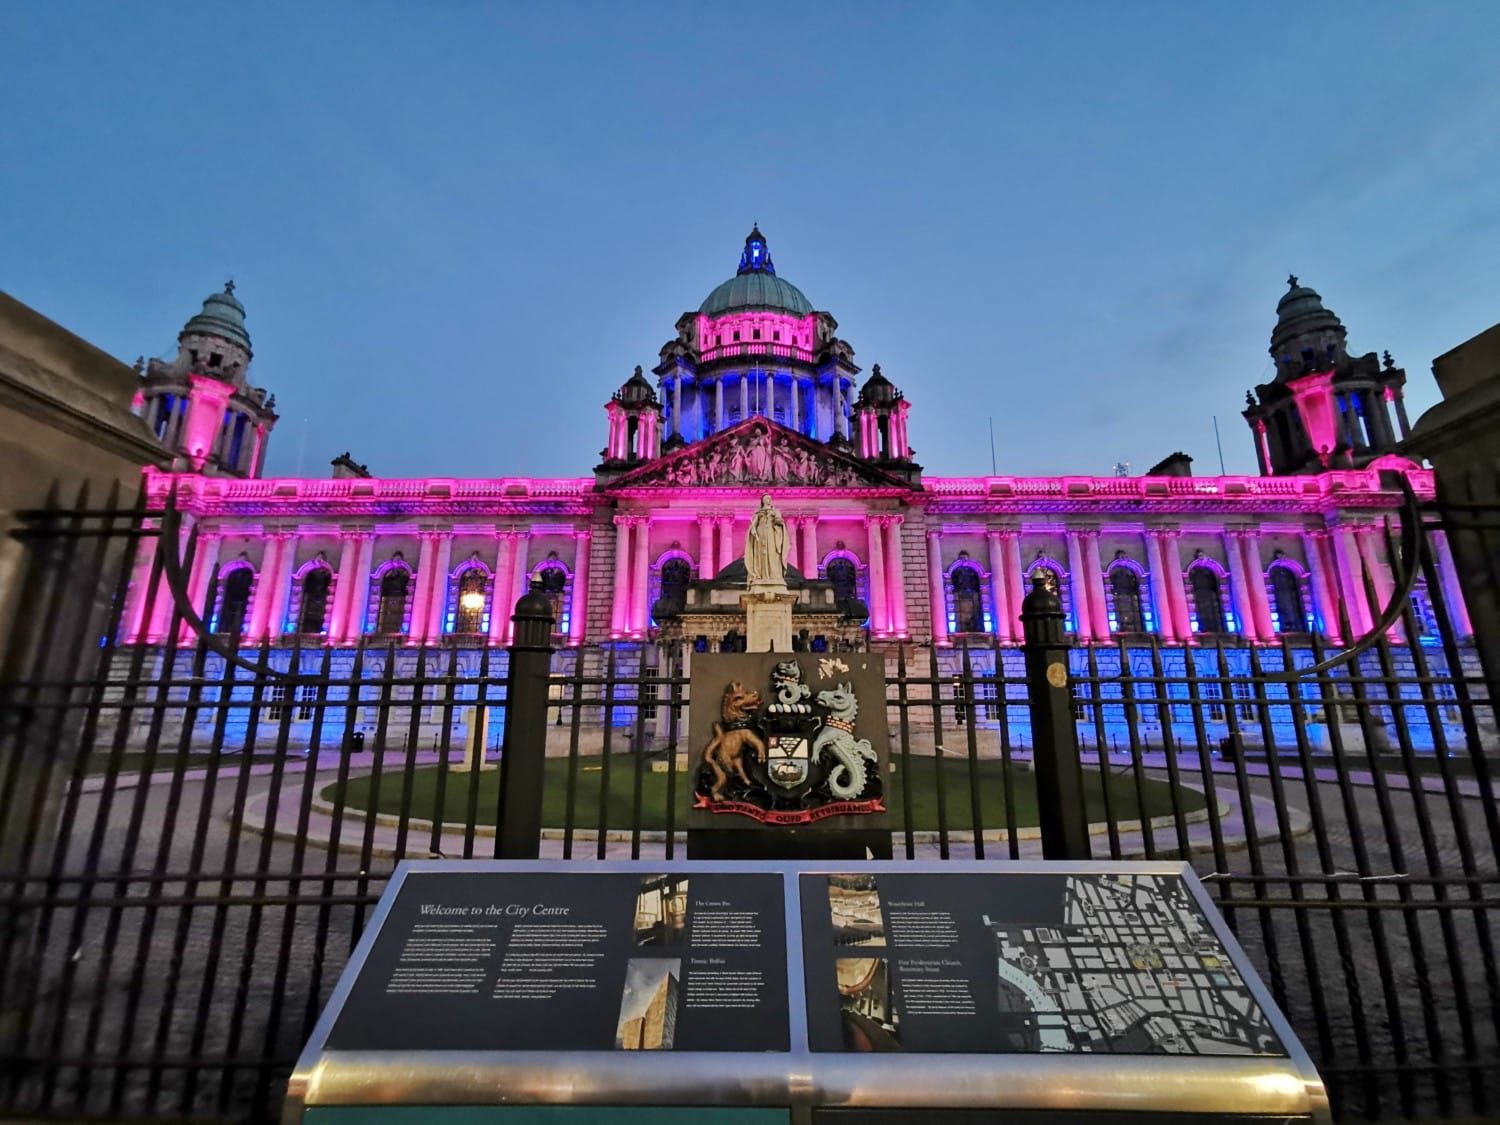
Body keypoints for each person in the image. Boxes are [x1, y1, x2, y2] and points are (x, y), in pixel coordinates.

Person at [745, 493, 788, 587]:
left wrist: (778, 521)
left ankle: (773, 575)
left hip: (772, 534)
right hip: (760, 534)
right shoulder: (758, 512)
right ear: (763, 500)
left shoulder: (775, 511)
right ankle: (761, 575)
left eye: (770, 498)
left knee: (772, 554)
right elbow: (754, 523)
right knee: (761, 555)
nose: (769, 500)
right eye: (767, 498)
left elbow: (780, 521)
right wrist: (752, 530)